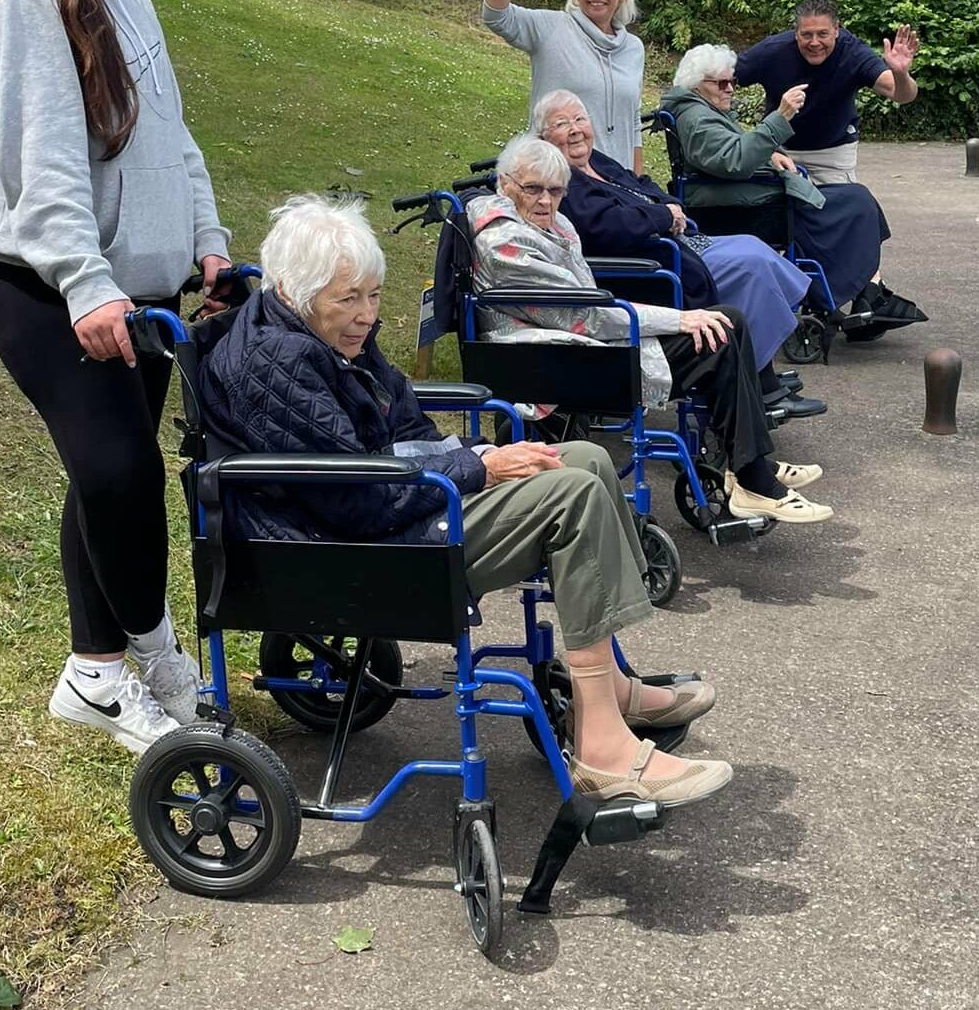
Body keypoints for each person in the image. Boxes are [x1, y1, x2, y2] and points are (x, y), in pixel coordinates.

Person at [197, 196, 733, 807]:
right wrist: (476, 465)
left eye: (373, 296)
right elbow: (351, 497)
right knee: (572, 491)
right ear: (295, 290)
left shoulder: (322, 334)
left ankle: (609, 686)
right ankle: (603, 750)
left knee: (580, 459)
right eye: (348, 299)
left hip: (385, 513)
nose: (366, 316)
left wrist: (471, 465)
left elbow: (402, 429)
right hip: (356, 546)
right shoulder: (281, 360)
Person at [0, 0, 229, 755]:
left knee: (100, 474)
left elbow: (175, 137)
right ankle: (154, 649)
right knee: (120, 470)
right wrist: (85, 281)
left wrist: (207, 237)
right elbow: (41, 153)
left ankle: (94, 673)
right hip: (45, 281)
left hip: (134, 285)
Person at [470, 136, 835, 519]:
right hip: (552, 360)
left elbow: (588, 309)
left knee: (727, 320)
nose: (545, 201)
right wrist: (678, 319)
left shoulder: (551, 222)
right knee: (717, 337)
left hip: (581, 343)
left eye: (556, 191)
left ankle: (749, 469)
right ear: (505, 183)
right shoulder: (504, 241)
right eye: (533, 189)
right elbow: (583, 314)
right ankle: (753, 477)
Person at [531, 89, 825, 420]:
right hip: (651, 263)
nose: (574, 129)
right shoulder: (558, 179)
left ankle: (760, 366)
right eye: (562, 123)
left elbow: (641, 183)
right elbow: (602, 226)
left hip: (676, 242)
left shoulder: (596, 160)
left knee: (752, 245)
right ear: (543, 136)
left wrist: (670, 208)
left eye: (580, 119)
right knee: (750, 267)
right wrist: (663, 216)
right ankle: (761, 383)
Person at [659, 43, 927, 334]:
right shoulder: (698, 118)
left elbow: (731, 149)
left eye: (731, 81)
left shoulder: (700, 111)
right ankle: (847, 292)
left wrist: (770, 153)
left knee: (859, 201)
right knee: (857, 202)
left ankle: (866, 291)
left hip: (749, 195)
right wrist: (780, 116)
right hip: (747, 205)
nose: (730, 89)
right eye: (721, 83)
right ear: (697, 85)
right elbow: (734, 160)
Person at [482, 0, 647, 174]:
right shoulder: (551, 28)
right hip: (558, 181)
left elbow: (632, 124)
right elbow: (495, 15)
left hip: (616, 186)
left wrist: (639, 185)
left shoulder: (633, 49)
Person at [735, 0, 920, 185]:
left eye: (823, 34)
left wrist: (900, 73)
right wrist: (745, 138)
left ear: (836, 29)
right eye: (807, 35)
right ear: (796, 32)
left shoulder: (853, 52)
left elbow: (902, 95)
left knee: (836, 210)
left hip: (833, 155)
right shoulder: (772, 51)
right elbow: (720, 80)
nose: (815, 43)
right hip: (778, 150)